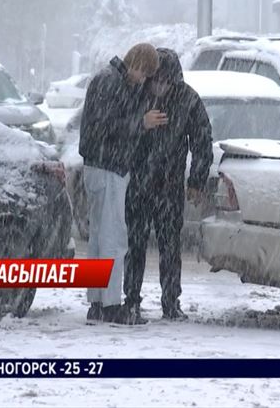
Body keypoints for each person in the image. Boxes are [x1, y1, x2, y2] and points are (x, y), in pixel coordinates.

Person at [123, 48, 213, 322]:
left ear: (174, 80)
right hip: (138, 183)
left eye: (165, 80)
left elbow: (202, 141)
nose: (160, 85)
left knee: (170, 247)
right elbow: (119, 129)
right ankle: (131, 300)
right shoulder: (138, 94)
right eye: (156, 79)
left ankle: (171, 302)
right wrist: (140, 125)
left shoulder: (188, 100)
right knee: (134, 244)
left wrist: (196, 180)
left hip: (170, 185)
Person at [79, 43, 165, 323]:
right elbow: (105, 126)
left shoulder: (108, 80)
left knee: (99, 239)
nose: (143, 80)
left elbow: (103, 124)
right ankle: (112, 305)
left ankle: (97, 302)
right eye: (145, 74)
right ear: (137, 64)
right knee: (114, 239)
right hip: (108, 169)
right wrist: (140, 123)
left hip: (100, 167)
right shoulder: (111, 83)